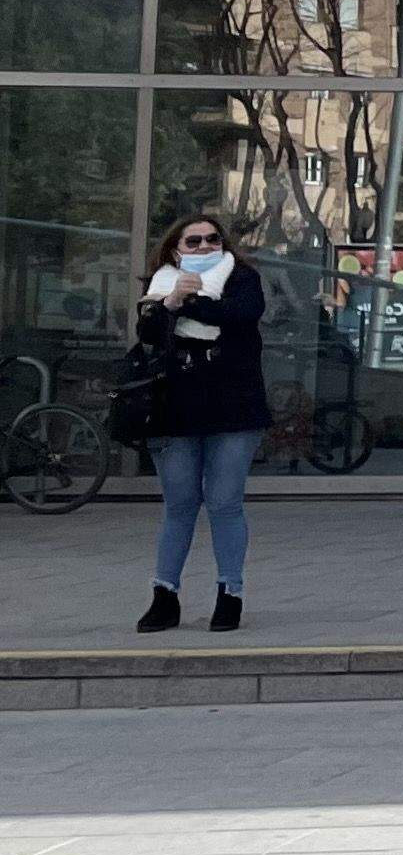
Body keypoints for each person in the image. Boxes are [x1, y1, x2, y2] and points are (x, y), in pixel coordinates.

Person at [133, 212, 267, 634]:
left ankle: (230, 594)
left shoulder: (243, 278)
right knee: (180, 505)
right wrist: (170, 301)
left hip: (234, 407)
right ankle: (164, 595)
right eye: (194, 242)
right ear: (176, 249)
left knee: (225, 503)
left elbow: (239, 315)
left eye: (213, 239)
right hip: (175, 407)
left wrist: (189, 302)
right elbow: (149, 331)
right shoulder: (161, 285)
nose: (205, 247)